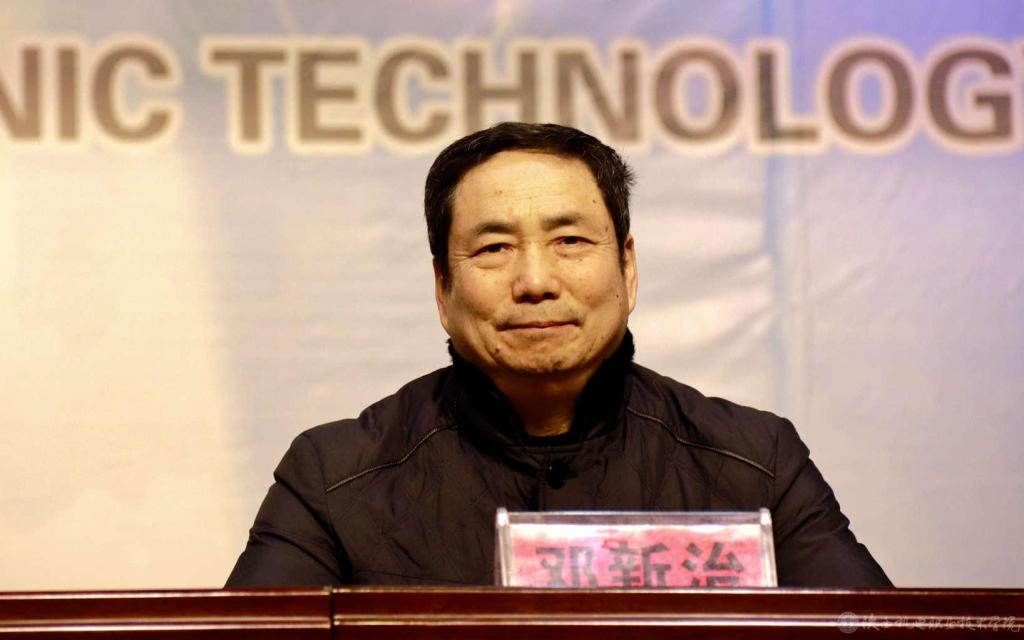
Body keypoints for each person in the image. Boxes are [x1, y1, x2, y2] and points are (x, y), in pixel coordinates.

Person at [226, 122, 891, 588]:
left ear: (628, 269)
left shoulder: (754, 466)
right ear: (442, 288)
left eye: (570, 241)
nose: (536, 280)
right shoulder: (336, 479)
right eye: (494, 248)